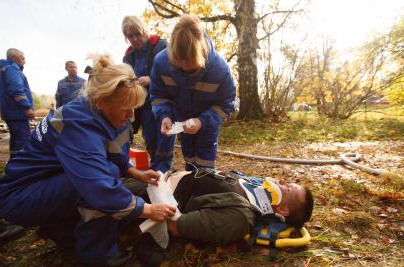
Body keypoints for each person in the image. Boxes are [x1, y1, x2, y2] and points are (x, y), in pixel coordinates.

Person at [0, 54, 176, 267]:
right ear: (100, 101)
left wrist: (136, 173)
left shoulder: (96, 112)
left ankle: (61, 228)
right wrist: (148, 209)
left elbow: (113, 152)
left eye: (134, 107)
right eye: (125, 108)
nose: (131, 115)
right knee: (105, 175)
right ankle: (98, 254)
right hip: (19, 198)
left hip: (44, 184)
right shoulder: (77, 125)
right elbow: (99, 187)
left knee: (109, 170)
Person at [150, 15, 236, 171]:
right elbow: (158, 95)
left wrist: (202, 121)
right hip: (183, 122)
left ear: (201, 55)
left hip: (208, 124)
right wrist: (165, 116)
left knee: (205, 166)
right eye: (179, 66)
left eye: (192, 67)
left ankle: (205, 183)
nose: (185, 70)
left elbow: (227, 103)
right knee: (189, 160)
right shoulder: (160, 63)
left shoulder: (220, 69)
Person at [165, 169, 314, 245]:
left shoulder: (239, 217)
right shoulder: (256, 186)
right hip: (169, 175)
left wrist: (152, 197)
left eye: (286, 187)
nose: (280, 180)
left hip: (162, 193)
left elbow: (176, 226)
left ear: (283, 210)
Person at [122, 15, 174, 172]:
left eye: (137, 34)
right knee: (150, 139)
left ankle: (163, 170)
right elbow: (127, 77)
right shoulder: (128, 56)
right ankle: (156, 167)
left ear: (144, 30)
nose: (135, 39)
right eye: (130, 36)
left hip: (164, 102)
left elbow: (173, 73)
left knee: (164, 136)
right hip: (143, 106)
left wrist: (151, 79)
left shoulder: (161, 46)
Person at [0, 48, 34, 158]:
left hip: (9, 112)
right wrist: (27, 107)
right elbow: (17, 90)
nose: (24, 61)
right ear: (13, 58)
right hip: (18, 112)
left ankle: (14, 164)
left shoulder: (2, 70)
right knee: (23, 140)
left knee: (15, 139)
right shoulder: (12, 69)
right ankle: (23, 168)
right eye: (22, 58)